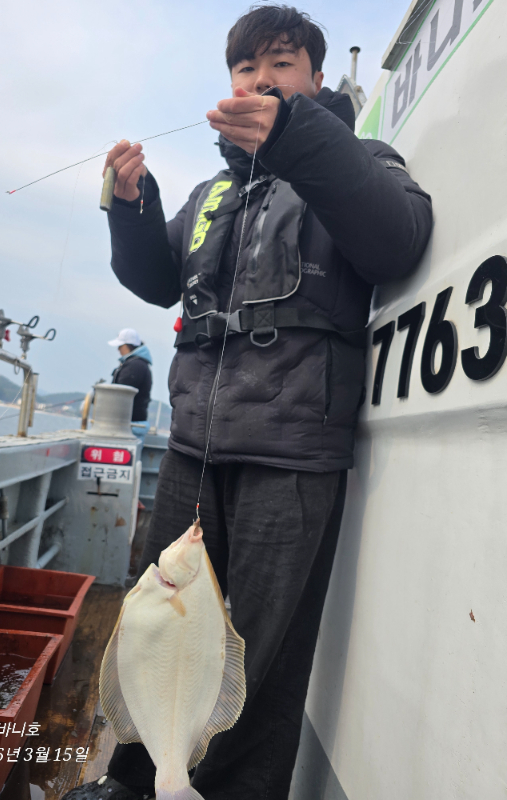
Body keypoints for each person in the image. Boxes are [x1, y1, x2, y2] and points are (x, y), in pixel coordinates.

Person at [63, 5, 432, 800]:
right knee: (154, 627)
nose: (261, 80)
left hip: (292, 453)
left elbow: (398, 238)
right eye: (246, 67)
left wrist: (299, 139)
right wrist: (132, 203)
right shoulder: (211, 193)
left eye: (282, 64)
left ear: (316, 79)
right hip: (192, 447)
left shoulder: (358, 163)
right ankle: (133, 780)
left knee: (263, 653)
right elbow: (156, 279)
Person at [108, 327, 152, 422]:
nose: (118, 349)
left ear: (128, 345)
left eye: (120, 345)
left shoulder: (135, 366)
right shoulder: (137, 364)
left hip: (130, 423)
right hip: (131, 422)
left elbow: (120, 393)